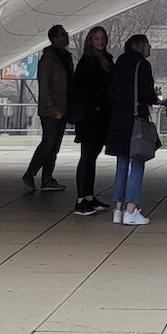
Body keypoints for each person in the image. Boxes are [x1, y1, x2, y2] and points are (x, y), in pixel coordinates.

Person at [105, 33, 158, 225]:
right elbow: (146, 92)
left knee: (121, 166)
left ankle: (117, 209)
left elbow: (111, 93)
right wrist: (154, 97)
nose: (150, 48)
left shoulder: (119, 64)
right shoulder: (142, 65)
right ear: (140, 46)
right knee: (137, 164)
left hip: (118, 120)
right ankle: (131, 209)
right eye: (148, 44)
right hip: (136, 122)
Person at [22, 24, 74, 195]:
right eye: (63, 34)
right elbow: (44, 86)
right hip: (51, 109)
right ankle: (30, 174)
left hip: (63, 107)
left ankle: (47, 179)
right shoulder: (48, 59)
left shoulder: (65, 57)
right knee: (49, 141)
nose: (66, 37)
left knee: (54, 145)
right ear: (54, 38)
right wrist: (51, 106)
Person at [69, 27, 114, 215]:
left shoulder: (107, 60)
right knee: (86, 157)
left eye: (102, 38)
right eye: (97, 38)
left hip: (101, 116)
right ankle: (81, 200)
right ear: (90, 41)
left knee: (93, 157)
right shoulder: (86, 62)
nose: (100, 42)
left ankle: (89, 196)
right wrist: (93, 105)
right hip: (89, 117)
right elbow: (80, 89)